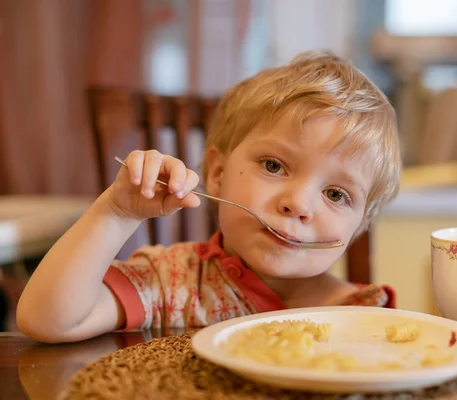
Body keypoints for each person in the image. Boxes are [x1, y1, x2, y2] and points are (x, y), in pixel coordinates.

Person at [16, 51, 402, 343]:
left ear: (359, 225)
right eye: (273, 166)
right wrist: (116, 213)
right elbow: (48, 320)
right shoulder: (170, 284)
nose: (298, 204)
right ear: (216, 174)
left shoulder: (366, 317)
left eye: (336, 193)